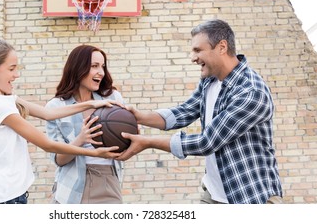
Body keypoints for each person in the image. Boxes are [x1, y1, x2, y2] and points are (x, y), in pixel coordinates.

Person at [118, 19, 283, 204]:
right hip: (213, 194)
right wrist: (139, 117)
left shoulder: (250, 91)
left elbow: (207, 142)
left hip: (249, 196)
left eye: (198, 50)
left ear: (221, 47)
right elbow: (184, 112)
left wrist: (147, 142)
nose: (192, 57)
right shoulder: (210, 80)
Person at [0, 39, 121, 204]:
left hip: (10, 195)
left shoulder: (3, 99)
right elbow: (46, 144)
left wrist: (90, 103)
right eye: (11, 69)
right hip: (2, 200)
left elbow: (47, 113)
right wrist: (94, 153)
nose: (16, 74)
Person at [46, 45, 125, 204]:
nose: (101, 72)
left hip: (108, 179)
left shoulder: (112, 98)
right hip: (72, 184)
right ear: (77, 68)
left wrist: (129, 136)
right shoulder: (56, 107)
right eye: (94, 66)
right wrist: (80, 139)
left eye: (102, 66)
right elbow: (58, 159)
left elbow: (126, 143)